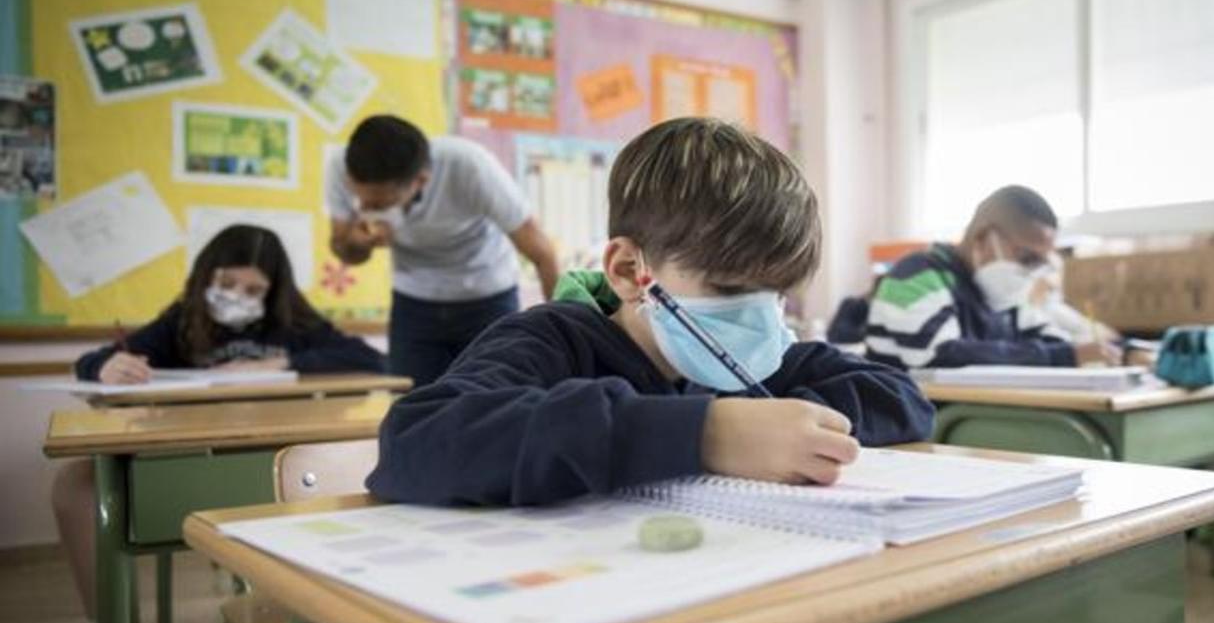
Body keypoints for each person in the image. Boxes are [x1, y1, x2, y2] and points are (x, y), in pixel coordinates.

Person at [367, 117, 934, 507]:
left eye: (777, 292)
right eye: (730, 287)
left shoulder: (759, 361)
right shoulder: (553, 341)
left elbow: (904, 399)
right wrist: (706, 435)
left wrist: (789, 428)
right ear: (629, 270)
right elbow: (415, 441)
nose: (758, 316)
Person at [53, 224, 384, 623]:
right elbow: (92, 363)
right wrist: (106, 365)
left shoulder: (291, 324)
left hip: (279, 462)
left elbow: (371, 360)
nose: (236, 296)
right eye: (227, 284)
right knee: (76, 485)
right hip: (193, 459)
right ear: (207, 277)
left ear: (273, 292)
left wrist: (283, 362)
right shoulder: (182, 322)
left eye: (253, 289)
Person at [326, 115, 560, 385]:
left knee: (494, 401)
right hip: (413, 303)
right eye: (361, 200)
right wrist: (359, 243)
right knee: (411, 407)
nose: (366, 209)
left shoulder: (469, 166)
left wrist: (561, 334)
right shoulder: (340, 168)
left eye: (379, 204)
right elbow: (346, 251)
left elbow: (542, 253)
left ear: (421, 181)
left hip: (487, 297)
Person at [864, 185, 1122, 369]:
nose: (1032, 273)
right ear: (983, 238)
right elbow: (942, 353)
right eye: (1027, 258)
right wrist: (1065, 355)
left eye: (1041, 262)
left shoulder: (999, 293)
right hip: (910, 430)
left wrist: (1120, 352)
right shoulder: (917, 274)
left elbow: (1053, 340)